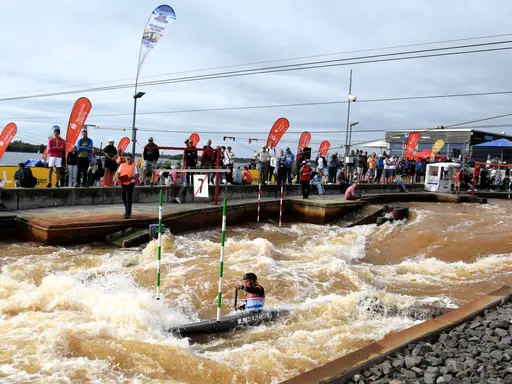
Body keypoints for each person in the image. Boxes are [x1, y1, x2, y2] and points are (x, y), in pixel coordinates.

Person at [116, 153, 140, 219]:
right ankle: (128, 210)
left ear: (132, 159)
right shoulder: (122, 165)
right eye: (127, 159)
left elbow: (137, 175)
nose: (129, 160)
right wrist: (118, 178)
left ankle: (127, 213)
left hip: (130, 183)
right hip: (123, 182)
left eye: (130, 159)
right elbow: (118, 172)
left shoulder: (134, 166)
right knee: (123, 197)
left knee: (128, 198)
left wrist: (131, 177)